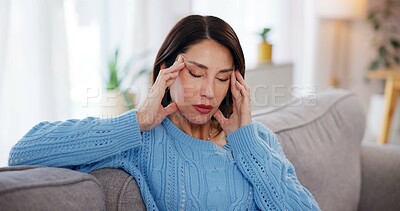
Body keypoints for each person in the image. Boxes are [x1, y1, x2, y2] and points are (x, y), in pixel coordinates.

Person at [8, 15, 320, 210]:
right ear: (166, 71)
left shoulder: (258, 140)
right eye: (196, 73)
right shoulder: (143, 141)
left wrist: (247, 143)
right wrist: (137, 120)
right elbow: (24, 152)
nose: (209, 91)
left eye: (222, 77)